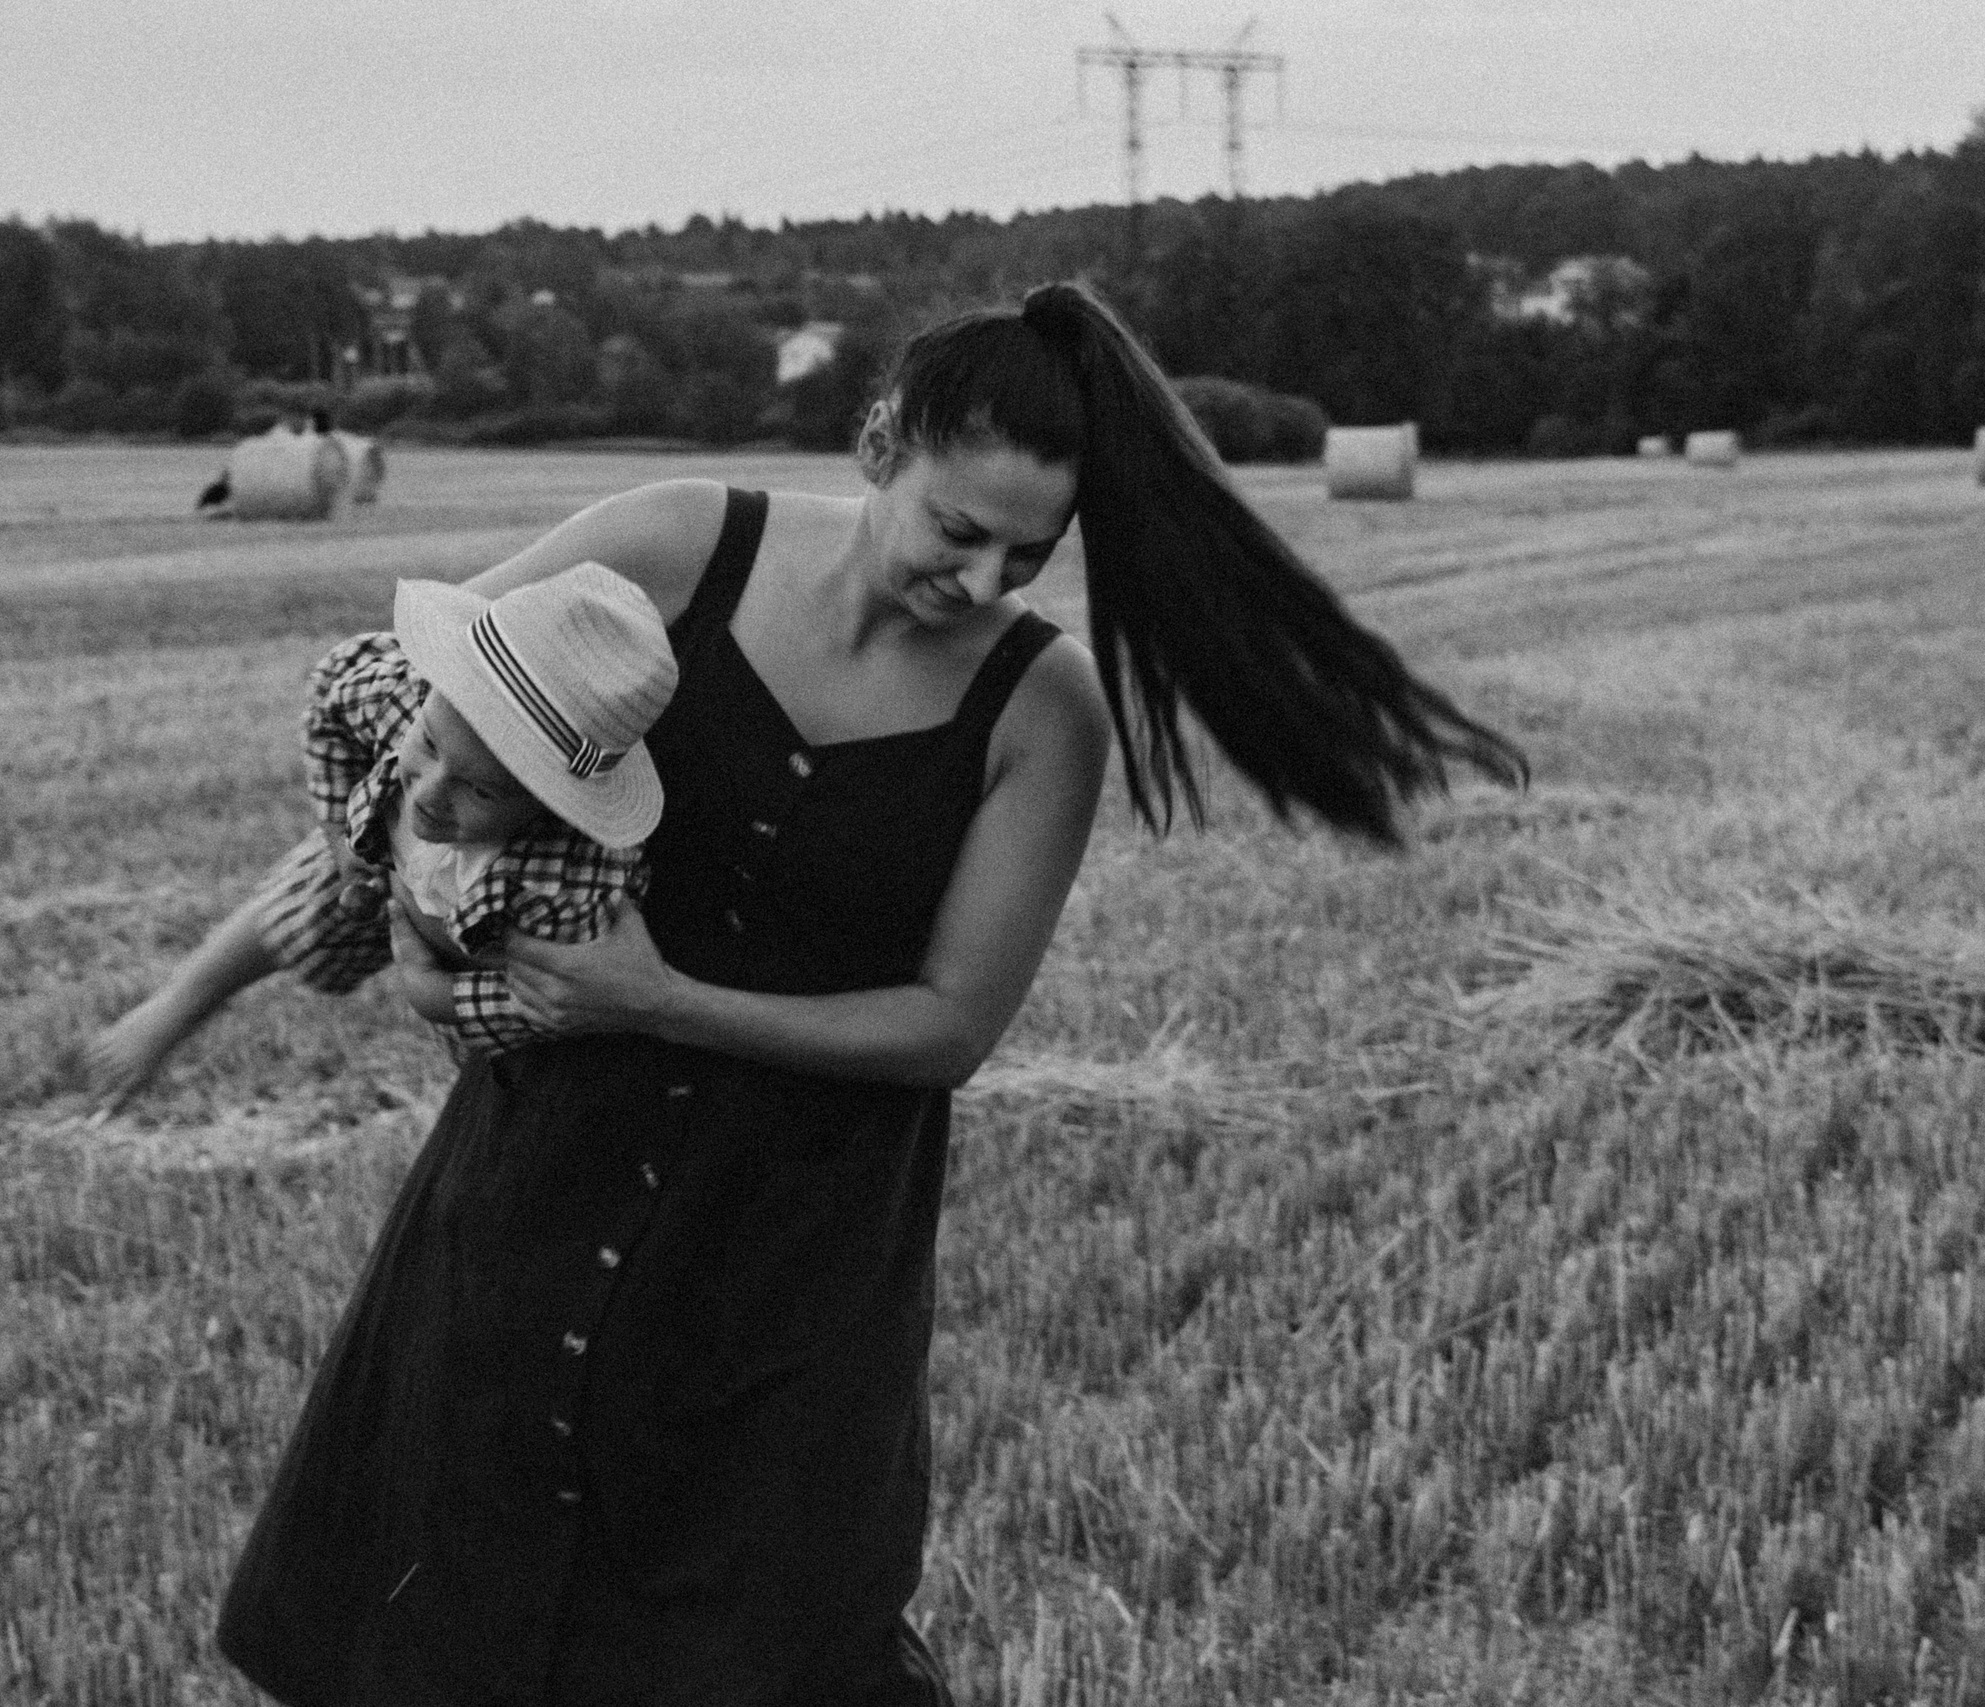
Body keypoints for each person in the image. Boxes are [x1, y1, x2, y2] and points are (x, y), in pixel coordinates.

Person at [210, 280, 1526, 1705]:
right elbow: (425, 722)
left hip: (790, 1288)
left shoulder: (1041, 710)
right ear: (880, 442)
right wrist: (413, 929)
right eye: (959, 532)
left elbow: (950, 1025)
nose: (980, 583)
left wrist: (657, 999)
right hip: (524, 1225)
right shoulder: (672, 543)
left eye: (1028, 557)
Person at [83, 562, 679, 1109]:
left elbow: (556, 1000)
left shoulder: (566, 890)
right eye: (430, 745)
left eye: (482, 791)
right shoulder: (401, 695)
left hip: (478, 946)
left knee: (502, 1093)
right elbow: (329, 707)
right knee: (316, 892)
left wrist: (431, 995)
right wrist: (342, 841)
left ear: (554, 809)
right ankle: (172, 1009)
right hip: (382, 860)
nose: (431, 794)